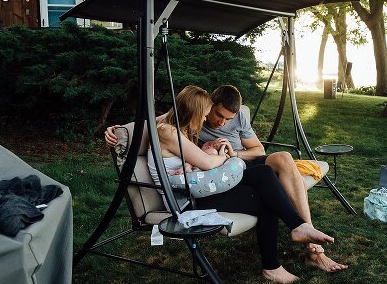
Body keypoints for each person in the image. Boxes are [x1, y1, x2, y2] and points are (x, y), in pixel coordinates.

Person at [105, 85, 348, 273]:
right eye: (209, 115)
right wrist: (119, 131)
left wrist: (225, 154)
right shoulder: (170, 130)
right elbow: (199, 156)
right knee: (269, 196)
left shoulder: (182, 129)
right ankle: (275, 264)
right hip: (190, 197)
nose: (212, 121)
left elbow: (253, 150)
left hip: (205, 183)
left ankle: (300, 230)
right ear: (197, 111)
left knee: (269, 173)